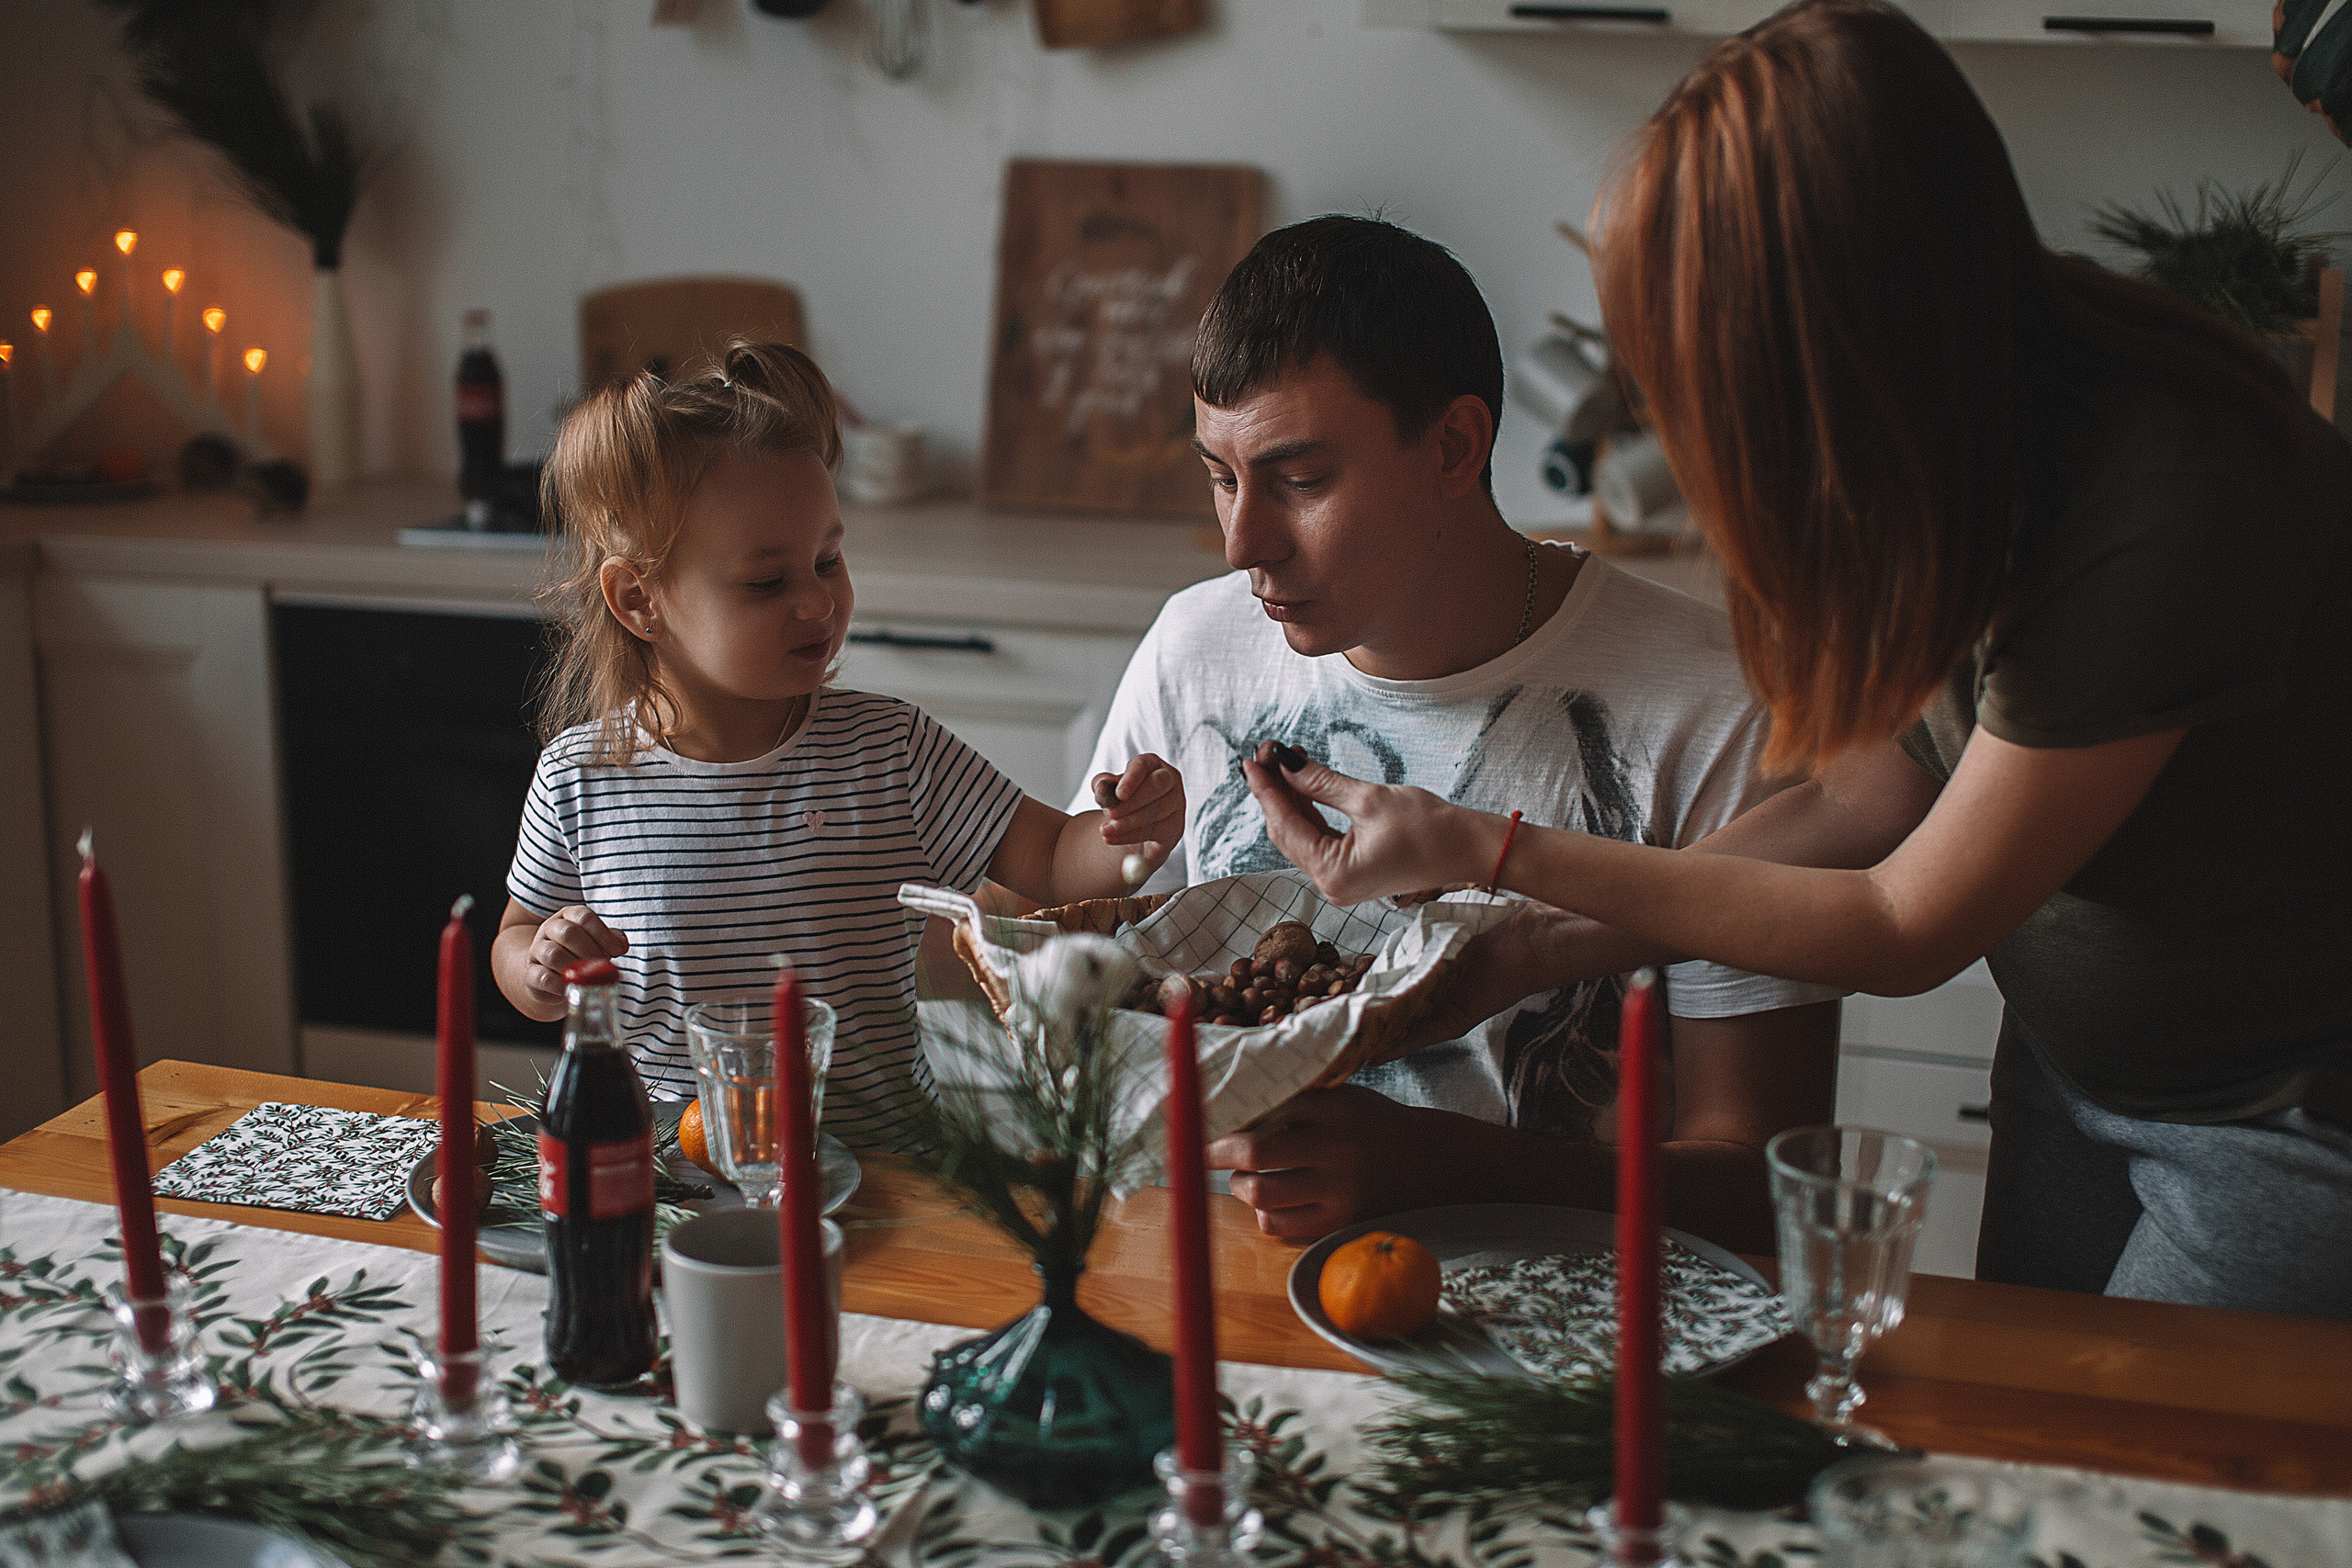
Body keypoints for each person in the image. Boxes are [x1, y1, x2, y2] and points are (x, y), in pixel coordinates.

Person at [1244, 2, 2352, 1318]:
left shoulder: (2165, 498)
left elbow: (1903, 922)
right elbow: (1869, 792)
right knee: (2034, 1424)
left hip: (2282, 1116)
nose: (1687, 419)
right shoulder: (1943, 431)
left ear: (1835, 326)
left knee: (2134, 1453)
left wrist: (1496, 851)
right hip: (2079, 1070)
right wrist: (1530, 952)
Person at [1076, 214, 1844, 1255]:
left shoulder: (1712, 701)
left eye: (1301, 481)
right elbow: (1096, 1004)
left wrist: (1447, 1171)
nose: (1242, 543)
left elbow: (1769, 1193)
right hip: (1221, 1298)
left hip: (1565, 1322)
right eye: (1221, 476)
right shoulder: (1194, 646)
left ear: (1453, 447)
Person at [492, 341, 1184, 1148]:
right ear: (639, 598)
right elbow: (516, 935)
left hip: (882, 1180)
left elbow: (1055, 859)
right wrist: (538, 967)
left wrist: (1126, 835)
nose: (819, 601)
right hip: (664, 1177)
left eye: (828, 560)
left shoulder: (889, 750)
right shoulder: (579, 777)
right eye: (768, 581)